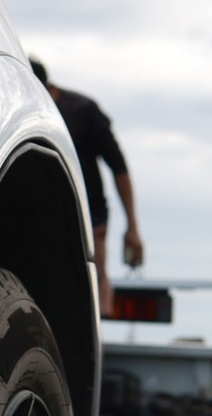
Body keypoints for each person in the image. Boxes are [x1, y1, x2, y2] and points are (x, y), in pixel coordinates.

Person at [31, 58, 141, 315]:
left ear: (49, 88)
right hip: (44, 213)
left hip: (91, 215)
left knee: (96, 276)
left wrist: (132, 226)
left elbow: (119, 167)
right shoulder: (22, 108)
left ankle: (99, 325)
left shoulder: (82, 110)